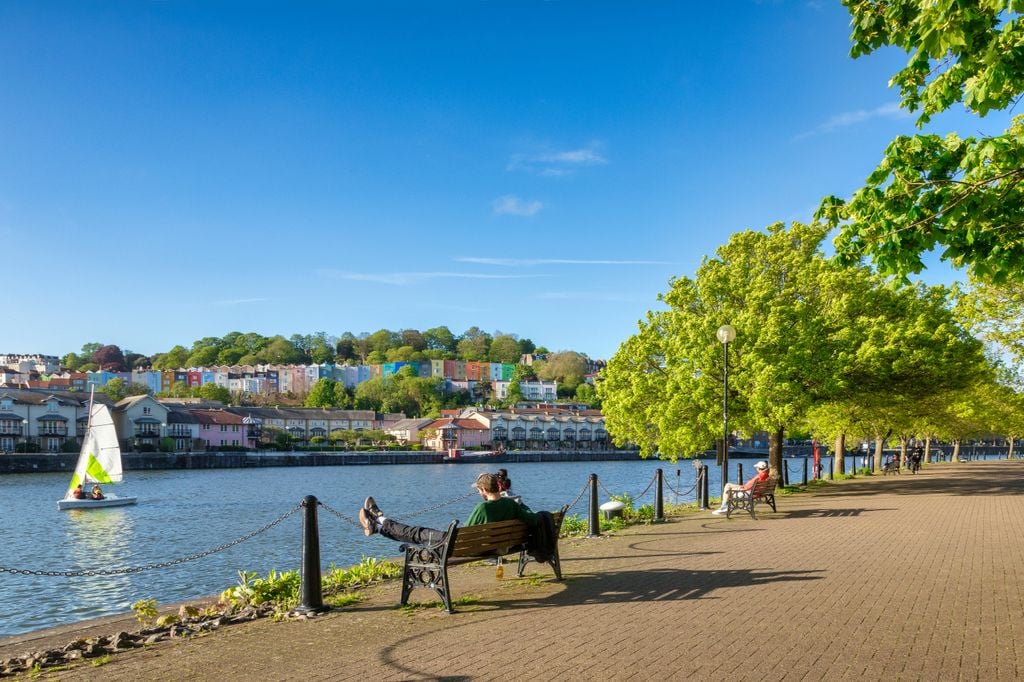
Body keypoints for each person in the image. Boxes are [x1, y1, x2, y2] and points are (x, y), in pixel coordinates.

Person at [359, 472, 536, 544]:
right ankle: (378, 523)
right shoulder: (511, 504)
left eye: (478, 489)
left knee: (416, 532)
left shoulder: (483, 508)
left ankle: (380, 522)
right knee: (417, 532)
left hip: (454, 544)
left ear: (483, 490)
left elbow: (465, 534)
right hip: (493, 545)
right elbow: (531, 517)